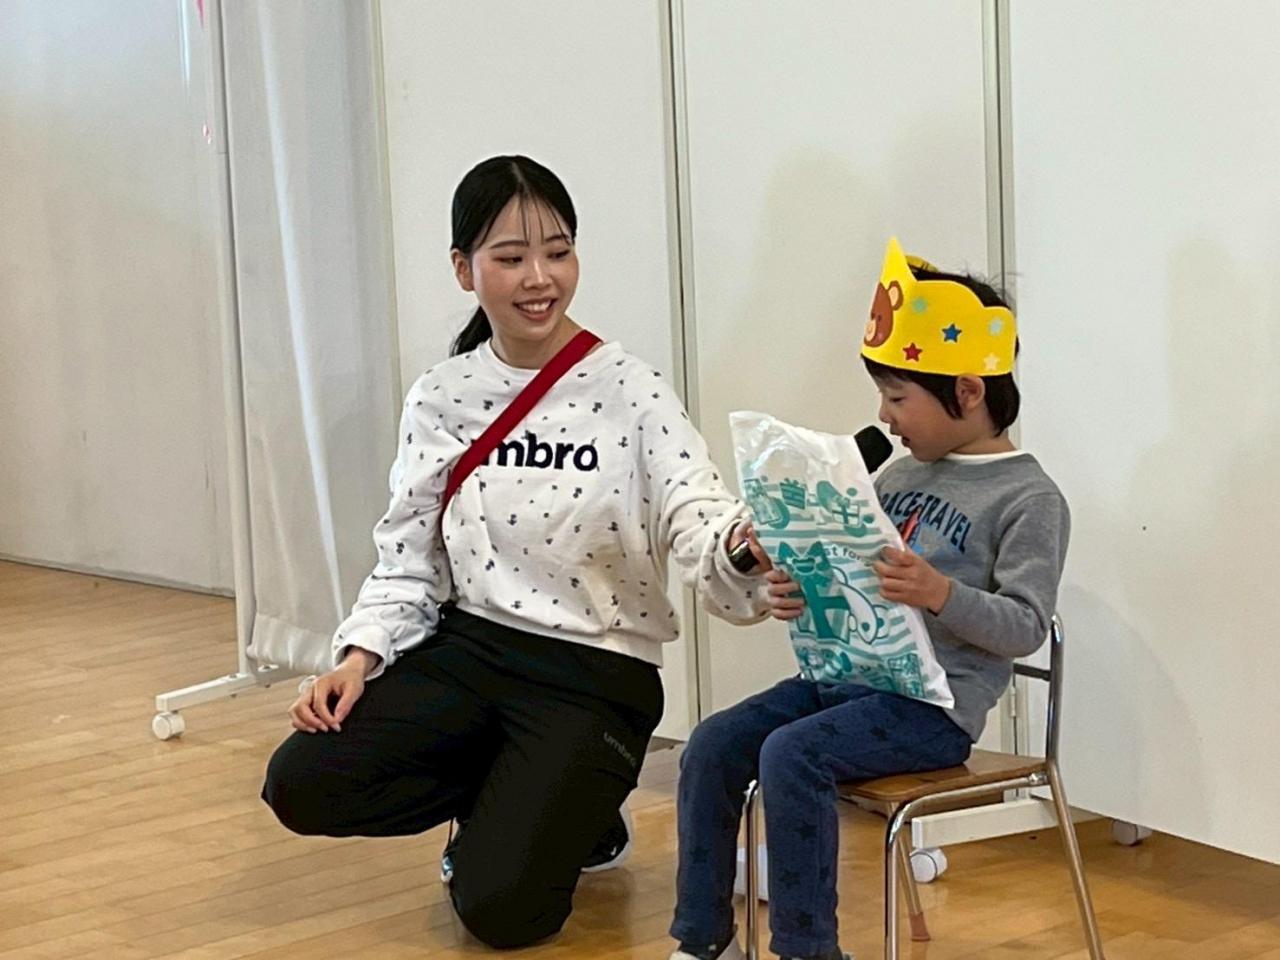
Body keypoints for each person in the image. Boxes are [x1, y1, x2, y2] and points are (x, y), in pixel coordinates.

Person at [259, 154, 769, 950]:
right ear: (465, 270)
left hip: (594, 673)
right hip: (471, 652)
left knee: (503, 914)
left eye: (558, 252)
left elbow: (697, 512)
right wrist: (358, 658)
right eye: (510, 257)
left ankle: (583, 816)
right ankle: (521, 797)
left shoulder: (631, 390)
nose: (539, 278)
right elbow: (409, 555)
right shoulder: (443, 395)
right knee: (300, 782)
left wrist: (740, 548)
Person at [668, 238, 1071, 960]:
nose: (885, 416)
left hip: (932, 710)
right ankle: (704, 940)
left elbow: (1025, 627)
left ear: (968, 393)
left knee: (791, 755)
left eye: (898, 397)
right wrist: (797, 586)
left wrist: (940, 593)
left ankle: (807, 950)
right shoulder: (896, 477)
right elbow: (850, 572)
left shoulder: (1029, 498)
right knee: (712, 744)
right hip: (842, 683)